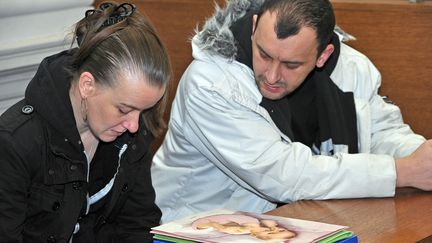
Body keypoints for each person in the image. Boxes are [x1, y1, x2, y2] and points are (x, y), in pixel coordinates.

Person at [151, 0, 432, 223]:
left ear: (323, 55)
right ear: (253, 27)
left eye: (291, 64)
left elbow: (382, 132)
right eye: (264, 54)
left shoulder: (353, 67)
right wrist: (400, 172)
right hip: (196, 229)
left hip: (301, 224)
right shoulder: (210, 84)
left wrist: (421, 157)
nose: (272, 76)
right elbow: (283, 175)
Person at [0, 2, 171, 242]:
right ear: (87, 85)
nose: (134, 125)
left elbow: (137, 225)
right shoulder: (15, 144)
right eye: (124, 109)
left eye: (143, 111)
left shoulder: (129, 133)